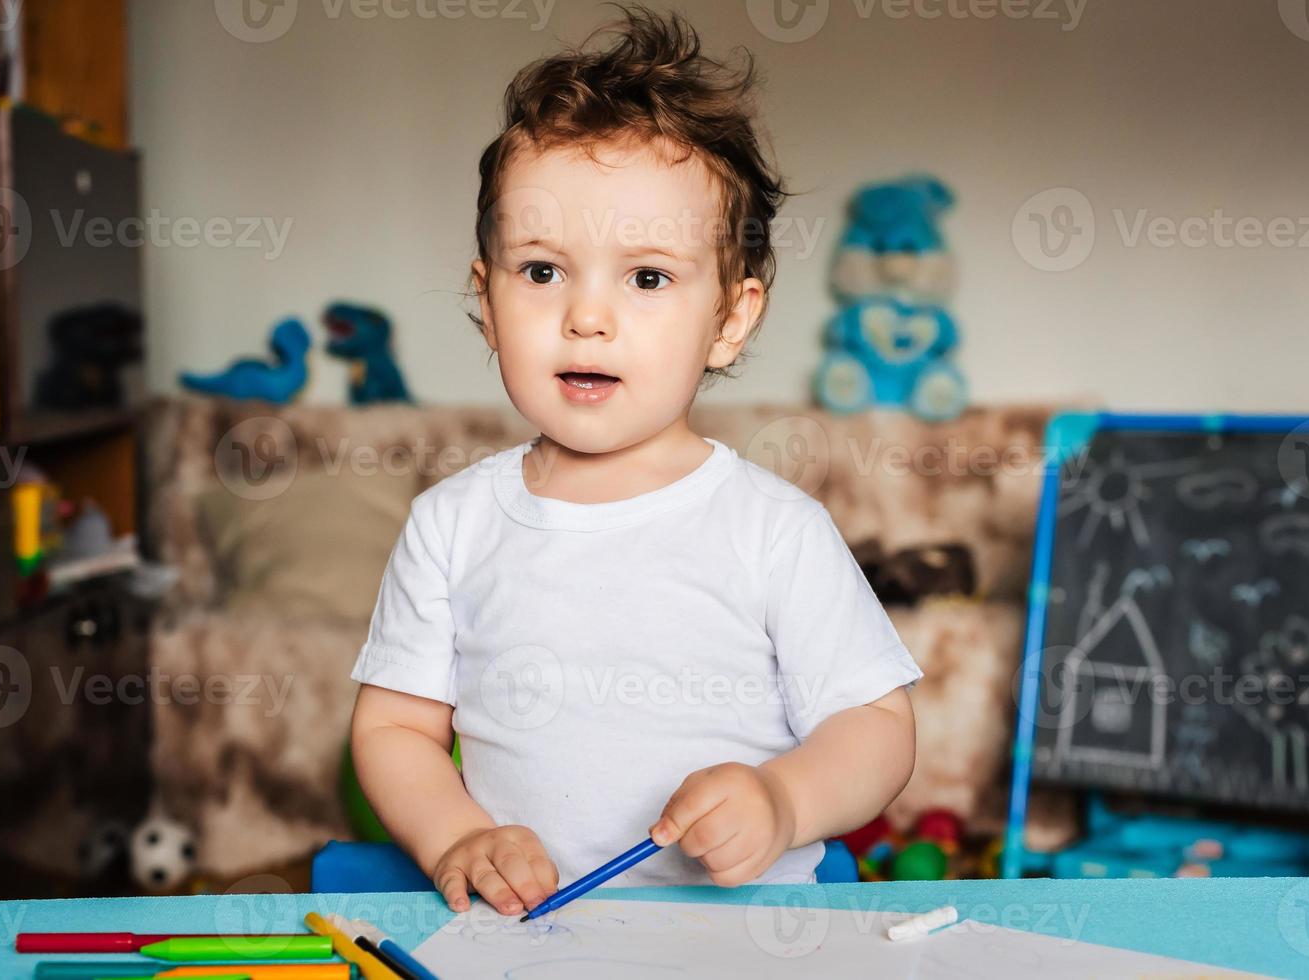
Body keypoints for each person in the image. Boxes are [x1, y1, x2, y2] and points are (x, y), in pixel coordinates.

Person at [350, 5, 922, 917]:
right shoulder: (452, 524)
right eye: (542, 271)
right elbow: (394, 728)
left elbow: (877, 728)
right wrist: (456, 835)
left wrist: (785, 801)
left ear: (731, 321)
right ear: (486, 300)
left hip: (749, 942)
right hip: (531, 937)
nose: (587, 317)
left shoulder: (773, 531)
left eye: (647, 277)